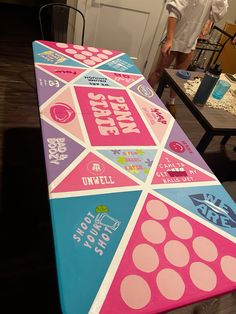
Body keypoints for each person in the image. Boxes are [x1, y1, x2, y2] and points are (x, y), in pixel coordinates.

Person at [148, 0, 229, 116]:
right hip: (175, 36)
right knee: (158, 72)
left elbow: (216, 15)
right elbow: (174, 11)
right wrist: (169, 39)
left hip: (190, 41)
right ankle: (143, 96)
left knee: (179, 76)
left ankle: (171, 102)